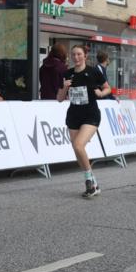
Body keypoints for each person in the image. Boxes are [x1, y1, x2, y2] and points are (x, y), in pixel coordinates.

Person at [57, 45, 111, 198]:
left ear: (85, 56)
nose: (76, 57)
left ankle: (88, 180)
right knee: (77, 150)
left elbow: (108, 88)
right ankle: (94, 184)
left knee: (78, 145)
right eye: (73, 54)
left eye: (79, 54)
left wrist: (101, 93)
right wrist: (64, 88)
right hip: (74, 115)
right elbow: (60, 99)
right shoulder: (67, 74)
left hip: (91, 115)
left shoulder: (93, 71)